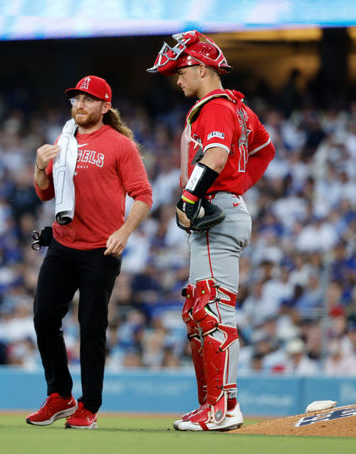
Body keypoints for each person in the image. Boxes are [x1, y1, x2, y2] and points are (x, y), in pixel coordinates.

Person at [147, 30, 275, 431]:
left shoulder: (215, 105)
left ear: (201, 68)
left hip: (215, 213)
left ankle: (221, 408)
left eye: (181, 71)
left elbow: (217, 154)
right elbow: (264, 149)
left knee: (212, 309)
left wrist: (192, 195)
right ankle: (214, 404)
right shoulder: (239, 108)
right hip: (222, 207)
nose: (178, 79)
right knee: (199, 310)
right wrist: (236, 188)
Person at [27, 76, 153, 429]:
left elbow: (144, 195)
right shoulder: (64, 140)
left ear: (105, 106)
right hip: (64, 244)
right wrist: (39, 167)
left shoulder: (120, 145)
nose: (79, 105)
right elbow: (44, 193)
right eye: (76, 99)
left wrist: (124, 232)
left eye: (88, 99)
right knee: (43, 318)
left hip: (101, 249)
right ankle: (60, 396)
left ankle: (89, 406)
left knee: (91, 326)